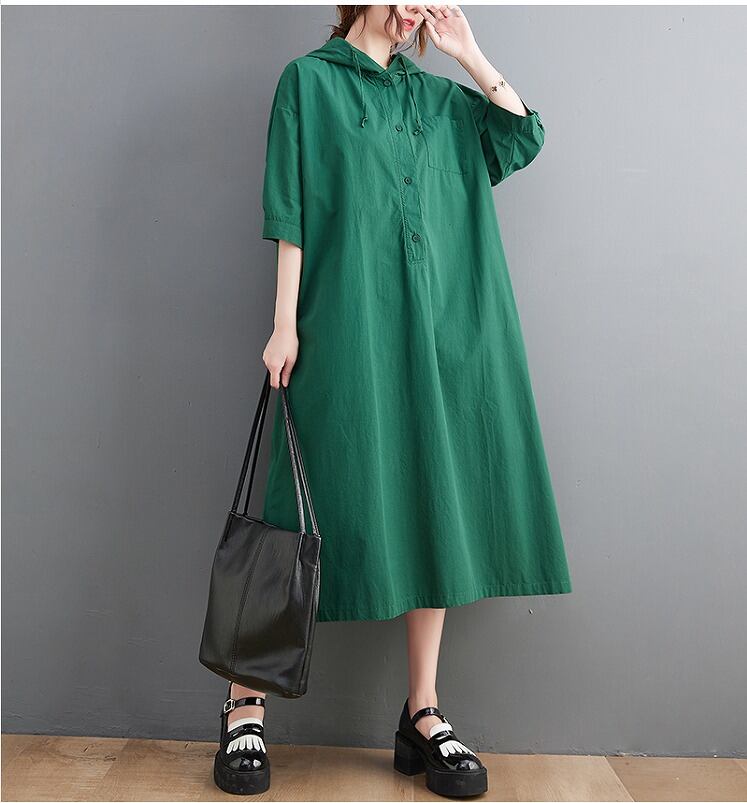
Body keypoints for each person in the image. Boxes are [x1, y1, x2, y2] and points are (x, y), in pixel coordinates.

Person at [213, 5, 572, 797]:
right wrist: (283, 323)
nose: (415, 9)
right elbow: (289, 206)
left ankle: (422, 710)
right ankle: (244, 704)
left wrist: (469, 53)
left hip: (441, 336)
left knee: (433, 498)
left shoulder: (439, 98)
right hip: (344, 325)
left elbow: (521, 136)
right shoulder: (308, 83)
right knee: (296, 504)